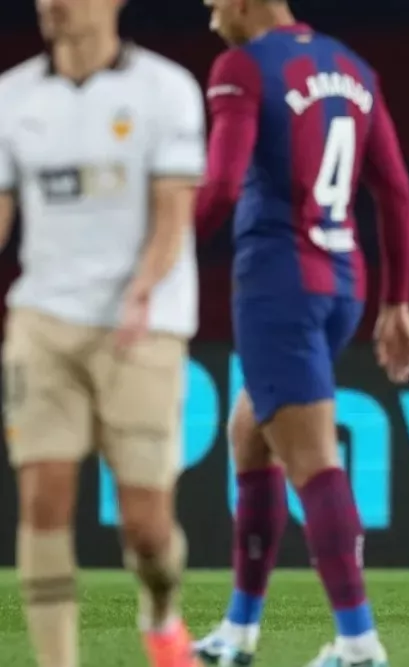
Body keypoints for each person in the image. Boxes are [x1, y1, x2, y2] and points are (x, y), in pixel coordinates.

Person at [191, 1, 409, 665]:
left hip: (279, 285)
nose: (208, 10)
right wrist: (397, 301)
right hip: (343, 282)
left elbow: (222, 185)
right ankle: (238, 632)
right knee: (250, 432)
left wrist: (162, 251)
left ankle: (359, 642)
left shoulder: (242, 67)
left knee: (314, 460)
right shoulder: (354, 68)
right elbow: (395, 191)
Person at [0, 0, 208, 665]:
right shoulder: (11, 97)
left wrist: (143, 288)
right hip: (43, 321)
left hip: (141, 325)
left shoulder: (166, 90)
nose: (52, 4)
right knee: (42, 498)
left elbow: (173, 214)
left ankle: (161, 612)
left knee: (146, 525)